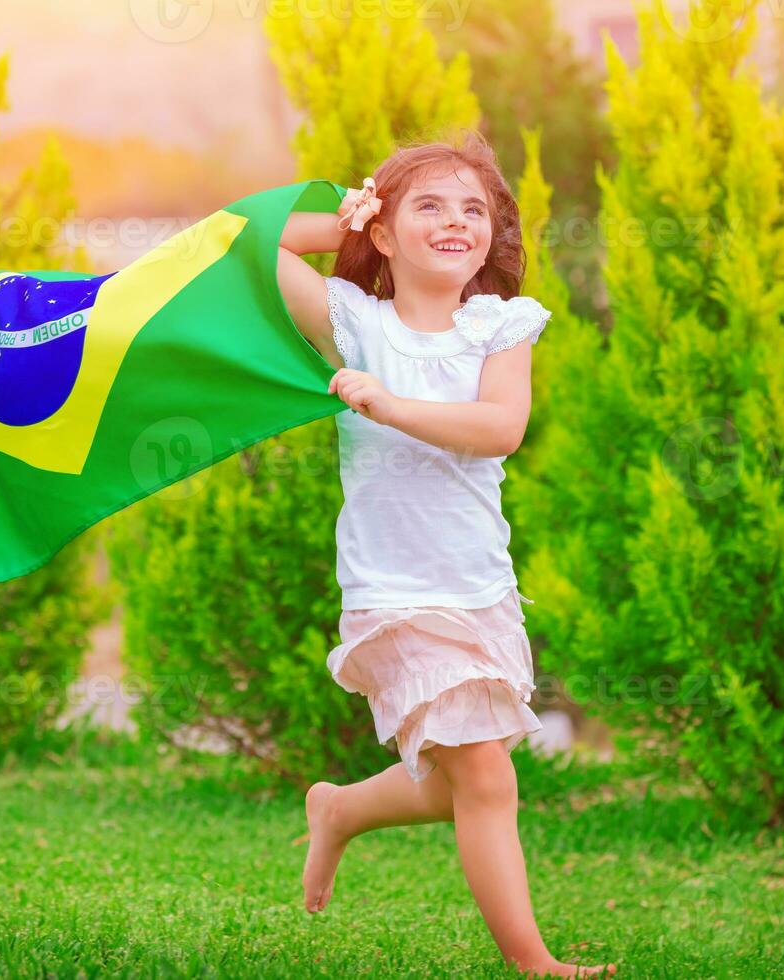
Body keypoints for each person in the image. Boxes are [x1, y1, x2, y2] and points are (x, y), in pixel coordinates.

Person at [276, 130, 617, 979]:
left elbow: (498, 430)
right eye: (428, 205)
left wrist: (388, 407)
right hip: (393, 590)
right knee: (490, 782)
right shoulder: (353, 321)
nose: (457, 220)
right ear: (387, 234)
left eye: (474, 208)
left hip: (480, 588)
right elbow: (252, 244)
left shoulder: (500, 327)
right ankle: (534, 963)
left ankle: (343, 810)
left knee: (464, 776)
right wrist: (345, 219)